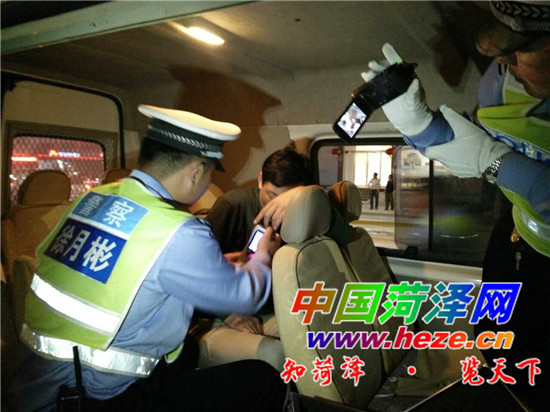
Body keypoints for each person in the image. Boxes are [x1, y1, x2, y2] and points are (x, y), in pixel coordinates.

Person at [9, 105, 287, 411]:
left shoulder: (94, 198)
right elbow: (245, 297)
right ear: (196, 171)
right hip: (94, 396)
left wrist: (219, 266)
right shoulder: (177, 229)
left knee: (187, 351)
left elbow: (131, 272)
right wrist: (264, 255)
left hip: (36, 382)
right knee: (263, 380)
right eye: (209, 173)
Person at [365, 2, 549, 409]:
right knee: (499, 346)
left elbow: (492, 156)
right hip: (518, 236)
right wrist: (419, 124)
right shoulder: (500, 83)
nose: (505, 62)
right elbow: (474, 135)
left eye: (523, 49)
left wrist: (497, 163)